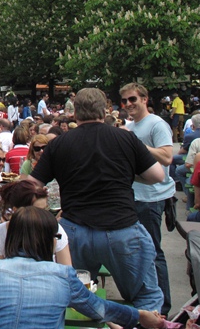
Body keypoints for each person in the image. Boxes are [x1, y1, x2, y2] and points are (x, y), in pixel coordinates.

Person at [0, 206, 164, 329]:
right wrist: (139, 315)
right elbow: (99, 310)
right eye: (56, 236)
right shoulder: (62, 275)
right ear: (47, 239)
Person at [31, 87, 166, 311]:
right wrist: (125, 174)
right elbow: (157, 176)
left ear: (75, 113)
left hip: (75, 229)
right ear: (105, 111)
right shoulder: (125, 138)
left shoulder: (59, 143)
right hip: (122, 228)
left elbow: (31, 184)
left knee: (76, 296)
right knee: (146, 295)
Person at [120, 82, 175, 316]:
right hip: (134, 195)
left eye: (133, 99)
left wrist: (136, 143)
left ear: (144, 99)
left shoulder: (156, 124)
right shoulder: (130, 125)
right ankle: (146, 303)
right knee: (138, 251)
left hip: (152, 198)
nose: (129, 104)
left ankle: (162, 309)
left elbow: (167, 157)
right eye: (125, 101)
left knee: (153, 252)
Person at [0, 179, 72, 265]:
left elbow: (66, 266)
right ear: (16, 210)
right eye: (37, 211)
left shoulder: (54, 229)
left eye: (45, 209)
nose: (44, 215)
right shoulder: (0, 232)